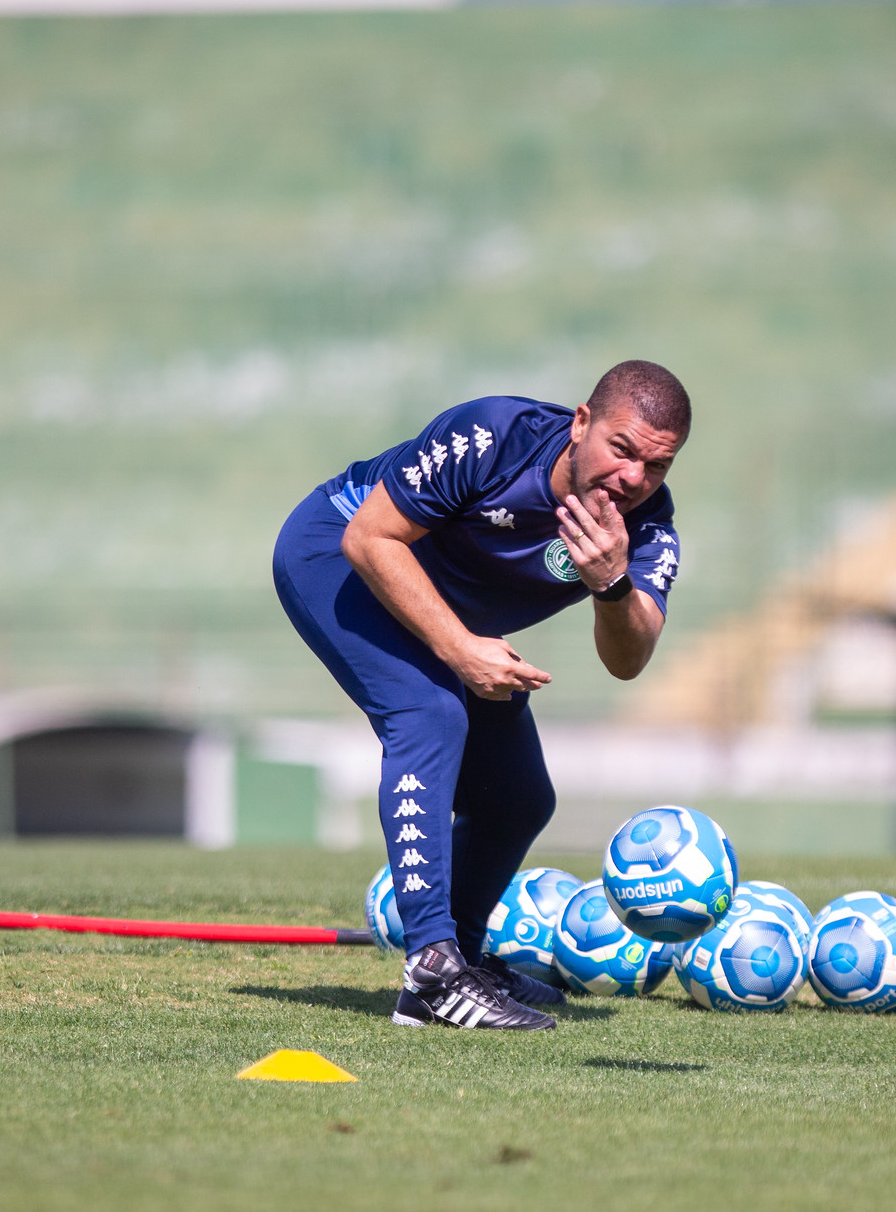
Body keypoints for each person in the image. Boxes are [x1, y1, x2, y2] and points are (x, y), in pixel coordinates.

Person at [273, 361, 688, 1030]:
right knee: (429, 713)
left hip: (438, 608)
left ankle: (462, 951)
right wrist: (461, 649)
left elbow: (629, 658)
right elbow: (369, 537)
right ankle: (432, 974)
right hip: (338, 553)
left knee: (518, 798)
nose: (635, 478)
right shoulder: (494, 436)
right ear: (581, 423)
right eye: (623, 449)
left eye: (658, 465)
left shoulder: (645, 530)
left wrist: (611, 585)